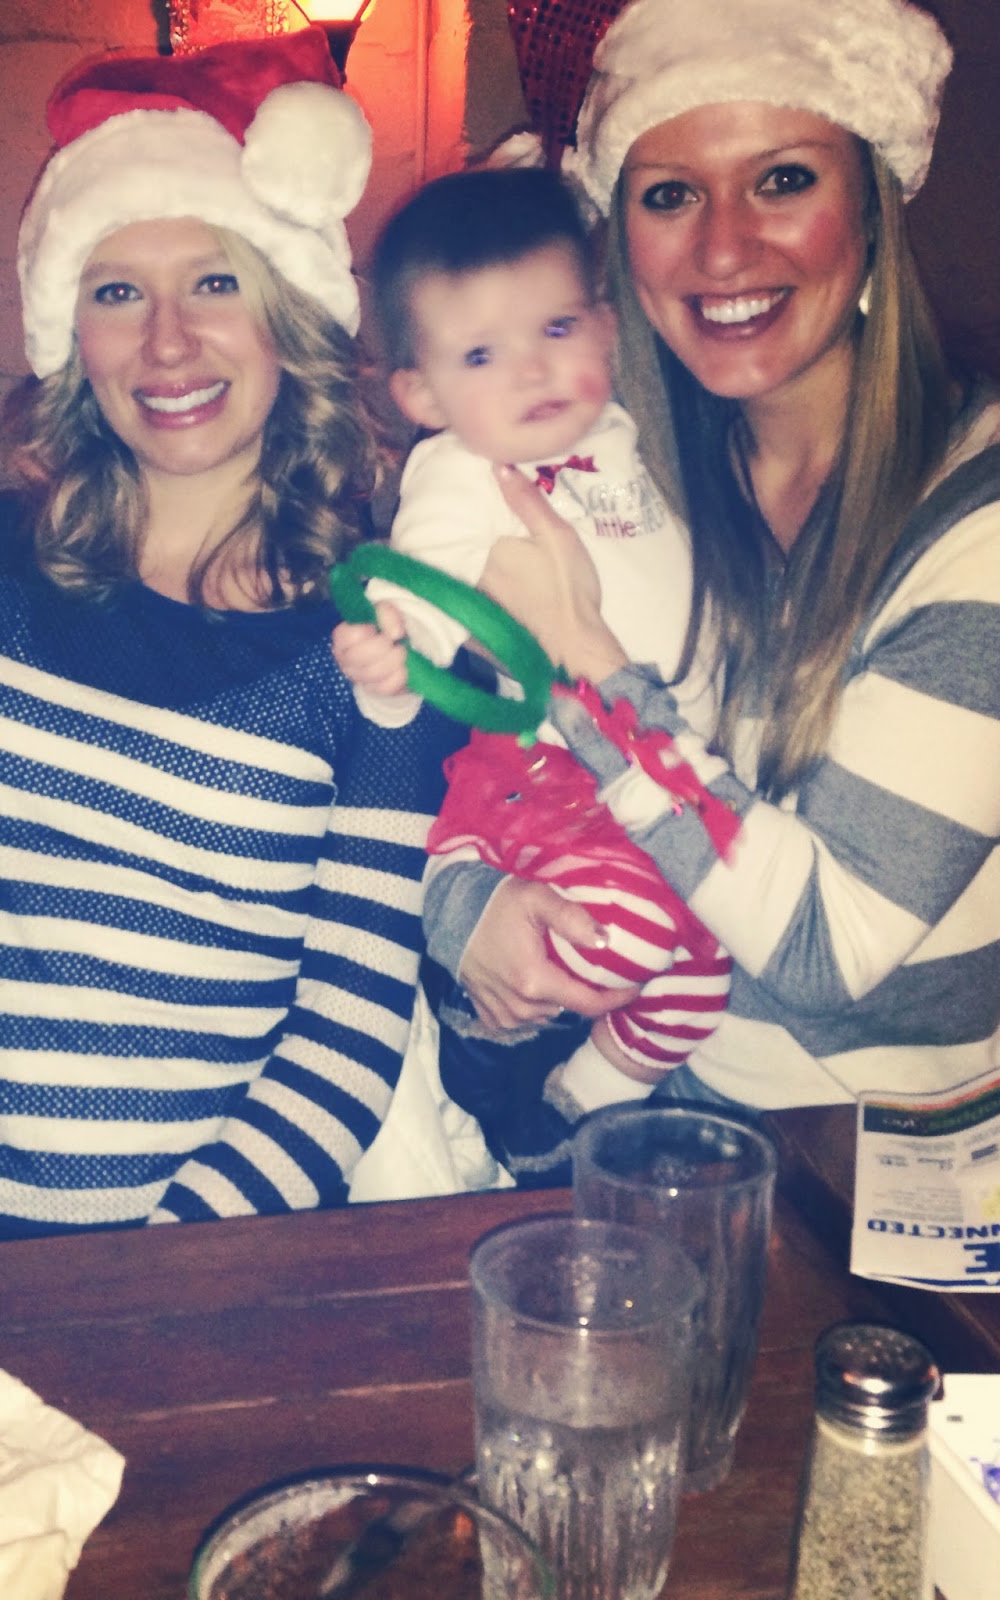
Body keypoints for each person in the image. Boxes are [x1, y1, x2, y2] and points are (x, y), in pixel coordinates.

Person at [0, 31, 456, 1245]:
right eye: (116, 292)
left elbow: (346, 1035)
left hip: (186, 1262)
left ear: (289, 317)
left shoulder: (375, 652)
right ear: (70, 337)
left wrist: (160, 1270)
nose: (166, 344)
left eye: (214, 283)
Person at [448, 0, 999, 1126]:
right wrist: (467, 908)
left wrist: (585, 658)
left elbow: (827, 944)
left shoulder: (974, 523)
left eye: (782, 179)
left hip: (872, 1173)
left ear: (872, 206)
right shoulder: (637, 477)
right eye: (670, 194)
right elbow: (474, 752)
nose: (723, 248)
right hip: (652, 1131)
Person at [331, 165, 728, 1181]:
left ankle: (571, 1108)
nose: (532, 371)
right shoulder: (462, 471)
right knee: (630, 933)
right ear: (423, 394)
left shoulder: (630, 434)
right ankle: (485, 1040)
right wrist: (390, 655)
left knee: (706, 977)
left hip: (670, 776)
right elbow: (421, 597)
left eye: (556, 328)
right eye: (481, 353)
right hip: (557, 785)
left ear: (605, 327)